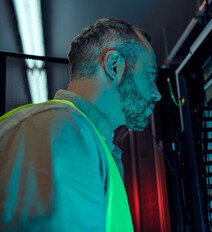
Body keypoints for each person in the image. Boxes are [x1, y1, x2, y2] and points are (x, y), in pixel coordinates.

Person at [0, 18, 161, 231]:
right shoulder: (62, 131)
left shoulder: (87, 137)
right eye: (150, 75)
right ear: (114, 66)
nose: (156, 93)